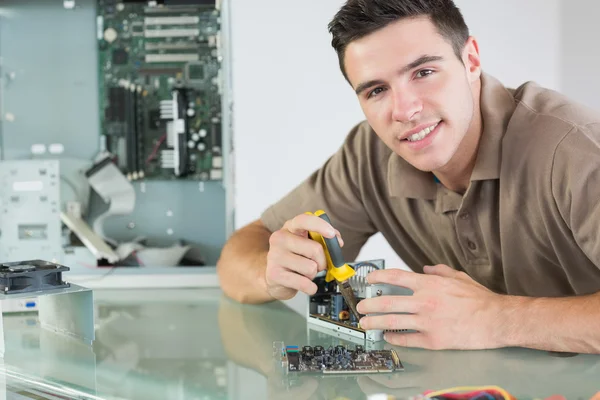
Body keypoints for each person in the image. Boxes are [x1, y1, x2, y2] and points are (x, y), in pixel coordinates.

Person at [217, 0, 600, 353]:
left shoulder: (575, 150)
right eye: (377, 90)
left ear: (470, 60)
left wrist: (497, 319)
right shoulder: (369, 155)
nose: (405, 110)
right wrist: (271, 273)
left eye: (424, 72)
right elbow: (239, 252)